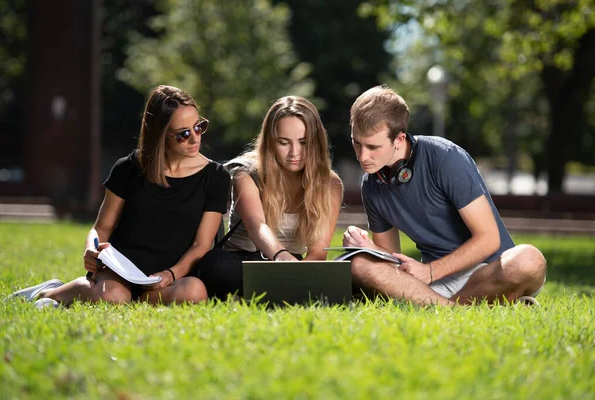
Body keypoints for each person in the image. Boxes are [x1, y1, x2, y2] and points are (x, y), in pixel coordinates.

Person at [7, 85, 231, 308]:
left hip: (170, 276)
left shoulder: (216, 176)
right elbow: (101, 228)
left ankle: (128, 299)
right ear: (160, 135)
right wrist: (91, 249)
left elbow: (201, 245)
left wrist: (170, 275)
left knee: (195, 292)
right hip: (121, 270)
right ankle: (49, 292)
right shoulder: (128, 168)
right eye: (183, 134)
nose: (195, 139)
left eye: (198, 127)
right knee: (113, 296)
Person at [344, 85, 547, 306]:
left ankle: (438, 304)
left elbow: (489, 239)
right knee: (360, 265)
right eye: (357, 143)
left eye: (373, 146)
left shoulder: (445, 157)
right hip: (432, 282)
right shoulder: (372, 183)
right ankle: (458, 307)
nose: (363, 156)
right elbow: (392, 258)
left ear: (399, 139)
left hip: (489, 271)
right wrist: (368, 248)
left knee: (529, 260)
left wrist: (431, 271)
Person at [196, 95, 344, 300]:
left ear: (316, 143)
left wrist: (296, 271)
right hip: (241, 263)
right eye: (284, 142)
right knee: (216, 266)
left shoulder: (330, 184)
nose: (295, 153)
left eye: (303, 142)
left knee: (343, 275)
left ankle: (273, 293)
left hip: (295, 264)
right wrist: (280, 257)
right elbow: (257, 226)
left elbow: (318, 253)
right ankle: (282, 293)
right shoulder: (245, 174)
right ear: (270, 142)